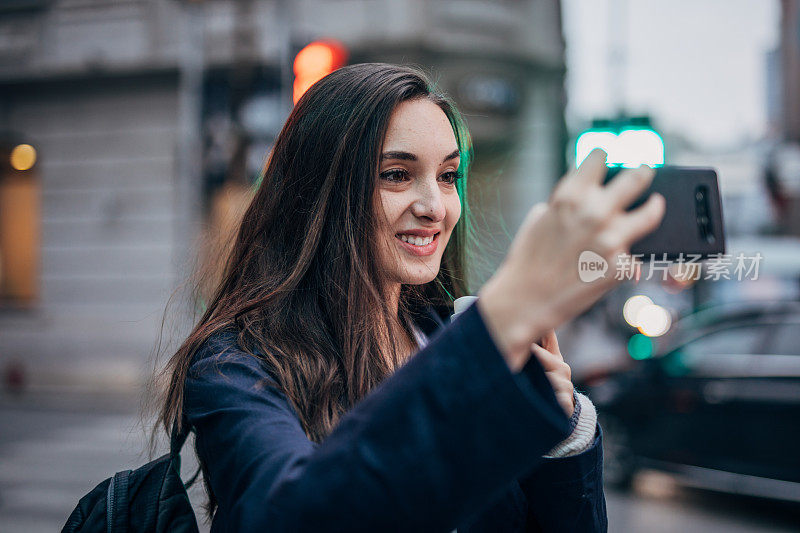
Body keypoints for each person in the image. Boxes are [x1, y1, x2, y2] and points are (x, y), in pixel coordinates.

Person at [155, 63, 665, 532]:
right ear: (320, 192)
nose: (435, 207)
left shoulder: (454, 338)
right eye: (396, 174)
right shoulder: (235, 363)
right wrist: (505, 314)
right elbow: (289, 515)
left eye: (447, 177)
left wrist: (565, 435)